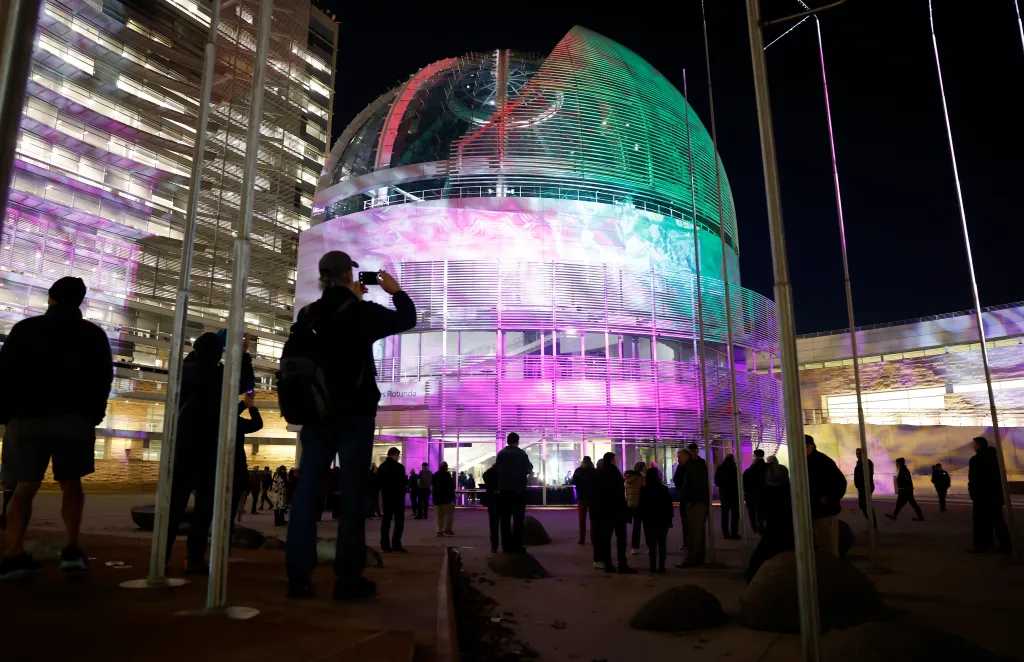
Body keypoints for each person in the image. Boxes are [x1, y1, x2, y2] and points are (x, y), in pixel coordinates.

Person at [285, 251, 415, 601]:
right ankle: (347, 580)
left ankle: (298, 577)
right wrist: (395, 290)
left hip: (315, 416)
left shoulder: (308, 314)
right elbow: (407, 318)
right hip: (354, 417)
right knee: (353, 495)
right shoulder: (361, 313)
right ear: (347, 275)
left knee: (307, 493)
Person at [0, 277, 113, 580]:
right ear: (80, 301)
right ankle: (72, 549)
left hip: (27, 418)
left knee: (24, 486)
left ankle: (15, 553)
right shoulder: (93, 335)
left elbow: (5, 372)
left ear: (50, 298)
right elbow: (103, 378)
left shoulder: (26, 329)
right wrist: (94, 414)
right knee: (71, 483)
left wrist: (5, 413)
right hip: (74, 420)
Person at [165, 331, 255, 573]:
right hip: (210, 447)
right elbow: (246, 383)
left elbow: (193, 359)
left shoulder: (185, 372)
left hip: (183, 444)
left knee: (174, 504)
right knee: (204, 507)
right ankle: (194, 559)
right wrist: (243, 354)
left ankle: (161, 556)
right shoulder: (220, 376)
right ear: (219, 354)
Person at [745, 456, 795, 582]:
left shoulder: (769, 490)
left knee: (763, 555)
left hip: (774, 528)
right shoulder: (790, 490)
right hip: (787, 529)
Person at [592, 452, 636, 574]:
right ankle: (622, 564)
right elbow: (620, 492)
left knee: (606, 538)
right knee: (621, 538)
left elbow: (597, 493)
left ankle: (608, 564)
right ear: (612, 459)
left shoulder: (599, 473)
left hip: (605, 511)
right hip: (617, 510)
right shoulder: (615, 472)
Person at [805, 435, 847, 557]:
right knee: (818, 547)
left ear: (812, 446)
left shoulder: (822, 461)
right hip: (813, 511)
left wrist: (828, 499)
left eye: (807, 446)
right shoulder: (806, 461)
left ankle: (832, 573)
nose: (804, 449)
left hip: (824, 512)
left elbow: (840, 483)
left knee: (828, 547)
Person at [968, 437, 1011, 554]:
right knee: (997, 520)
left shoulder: (976, 460)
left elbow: (974, 479)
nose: (973, 446)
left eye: (974, 444)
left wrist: (973, 493)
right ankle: (1005, 544)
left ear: (979, 445)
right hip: (994, 496)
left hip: (981, 496)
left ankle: (983, 544)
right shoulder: (994, 459)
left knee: (981, 522)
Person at [495, 432, 533, 553]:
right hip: (518, 491)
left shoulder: (501, 454)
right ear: (518, 441)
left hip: (504, 491)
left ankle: (506, 546)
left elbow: (497, 470)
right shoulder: (522, 454)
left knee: (505, 520)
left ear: (507, 441)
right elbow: (528, 469)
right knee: (518, 520)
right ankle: (517, 545)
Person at [676, 445, 709, 568]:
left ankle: (693, 558)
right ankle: (697, 556)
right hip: (697, 502)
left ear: (685, 457)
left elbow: (691, 486)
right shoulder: (694, 467)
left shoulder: (692, 468)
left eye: (679, 457)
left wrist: (689, 499)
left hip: (695, 503)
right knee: (696, 532)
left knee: (695, 532)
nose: (678, 460)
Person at [234, 394, 264, 525]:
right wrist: (249, 406)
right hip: (234, 469)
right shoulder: (234, 423)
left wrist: (244, 405)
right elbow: (257, 424)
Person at [638, 467, 673, 573]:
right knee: (662, 543)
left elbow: (642, 506)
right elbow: (668, 506)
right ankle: (661, 566)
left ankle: (652, 566)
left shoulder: (645, 489)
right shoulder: (663, 489)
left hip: (650, 520)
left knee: (652, 544)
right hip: (662, 520)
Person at [378, 447, 408, 552]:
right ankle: (396, 544)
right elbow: (403, 482)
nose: (398, 457)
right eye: (398, 456)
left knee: (386, 521)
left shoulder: (382, 467)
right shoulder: (399, 467)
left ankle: (385, 545)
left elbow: (379, 482)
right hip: (398, 498)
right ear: (394, 455)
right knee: (399, 522)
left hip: (387, 498)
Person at [884, 457, 925, 522]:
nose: (896, 464)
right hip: (905, 490)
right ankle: (895, 515)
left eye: (897, 463)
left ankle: (895, 515)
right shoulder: (903, 470)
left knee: (904, 503)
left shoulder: (904, 471)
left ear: (899, 463)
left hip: (905, 491)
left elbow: (906, 481)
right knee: (903, 504)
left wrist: (900, 483)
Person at [714, 454, 741, 540]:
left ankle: (725, 533)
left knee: (725, 514)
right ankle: (734, 532)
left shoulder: (720, 468)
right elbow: (738, 480)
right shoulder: (734, 468)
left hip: (724, 494)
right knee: (735, 514)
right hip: (734, 494)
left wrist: (723, 486)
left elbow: (717, 481)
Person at [572, 456, 597, 545]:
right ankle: (593, 539)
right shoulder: (593, 471)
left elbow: (573, 481)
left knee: (582, 520)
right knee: (593, 520)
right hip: (592, 498)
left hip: (581, 497)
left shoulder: (578, 471)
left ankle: (581, 539)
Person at [742, 448, 768, 534]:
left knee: (752, 512)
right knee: (763, 511)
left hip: (752, 494)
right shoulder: (768, 467)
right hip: (765, 493)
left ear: (755, 456)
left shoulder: (750, 470)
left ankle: (756, 527)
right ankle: (764, 528)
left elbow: (745, 483)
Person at [624, 461, 646, 555]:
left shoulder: (627, 479)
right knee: (637, 527)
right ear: (642, 468)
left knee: (624, 526)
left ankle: (627, 545)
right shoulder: (642, 478)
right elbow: (645, 491)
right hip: (639, 504)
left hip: (629, 504)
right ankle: (635, 546)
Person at [853, 447, 877, 530]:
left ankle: (873, 524)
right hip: (861, 487)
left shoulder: (867, 462)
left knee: (865, 505)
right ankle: (872, 523)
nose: (858, 455)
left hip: (866, 487)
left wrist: (865, 486)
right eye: (857, 453)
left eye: (859, 453)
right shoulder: (859, 462)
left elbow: (868, 475)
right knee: (863, 505)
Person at [673, 449, 691, 549]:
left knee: (688, 521)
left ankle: (689, 543)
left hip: (689, 498)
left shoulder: (690, 467)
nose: (678, 459)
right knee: (685, 521)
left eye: (679, 457)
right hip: (685, 497)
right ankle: (687, 542)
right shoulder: (681, 467)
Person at [432, 462, 456, 537]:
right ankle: (447, 528)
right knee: (449, 513)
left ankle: (439, 531)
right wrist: (452, 495)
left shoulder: (435, 475)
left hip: (436, 499)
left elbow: (433, 484)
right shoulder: (447, 475)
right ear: (446, 467)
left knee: (439, 516)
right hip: (446, 499)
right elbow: (451, 486)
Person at [482, 461, 501, 552]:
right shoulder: (503, 474)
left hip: (492, 501)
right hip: (502, 500)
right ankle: (506, 545)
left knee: (493, 524)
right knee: (505, 523)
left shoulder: (488, 475)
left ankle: (494, 545)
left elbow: (485, 476)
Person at [0, 462, 13, 532]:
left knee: (6, 502)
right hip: (12, 484)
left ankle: (4, 519)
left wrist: (2, 479)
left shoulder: (7, 458)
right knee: (9, 502)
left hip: (8, 484)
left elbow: (3, 469)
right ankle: (5, 519)